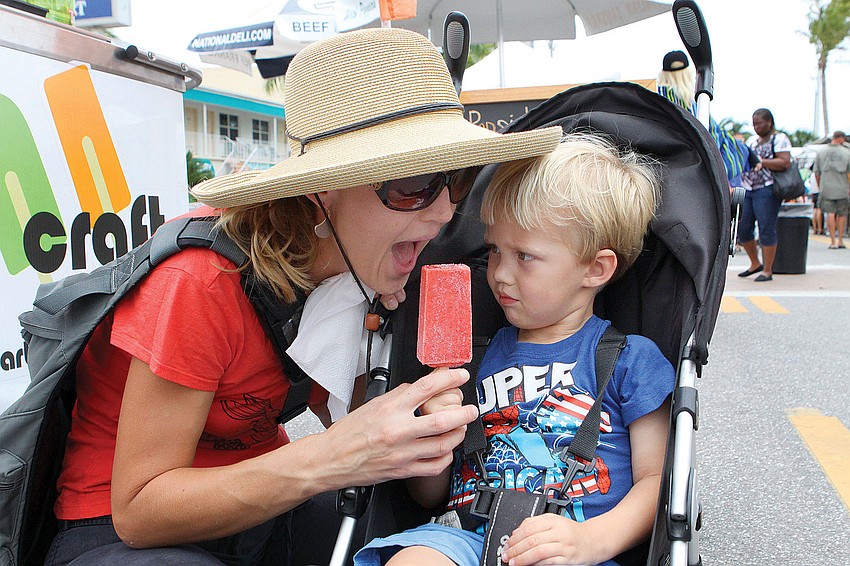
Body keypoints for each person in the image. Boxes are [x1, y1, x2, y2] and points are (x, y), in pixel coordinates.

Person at [43, 28, 563, 566]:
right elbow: (140, 510)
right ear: (322, 193)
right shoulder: (199, 283)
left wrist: (427, 437)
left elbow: (368, 444)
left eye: (455, 179)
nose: (444, 212)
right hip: (119, 536)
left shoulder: (356, 275)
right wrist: (334, 456)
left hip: (260, 517)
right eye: (415, 183)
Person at [353, 134, 675, 566]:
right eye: (494, 251)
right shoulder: (470, 361)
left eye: (524, 256)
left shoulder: (628, 360)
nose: (500, 274)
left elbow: (657, 481)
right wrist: (435, 437)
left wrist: (592, 542)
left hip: (573, 545)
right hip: (465, 535)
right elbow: (427, 496)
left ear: (595, 269)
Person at [656, 50, 755, 188]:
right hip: (698, 173)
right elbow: (714, 136)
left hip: (670, 172)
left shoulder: (657, 101)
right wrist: (748, 155)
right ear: (688, 73)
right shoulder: (695, 105)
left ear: (663, 74)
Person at [737, 108, 792, 282]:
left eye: (759, 123)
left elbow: (784, 162)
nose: (756, 127)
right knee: (743, 227)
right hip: (749, 188)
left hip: (767, 189)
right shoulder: (753, 141)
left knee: (766, 228)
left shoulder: (779, 138)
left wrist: (761, 162)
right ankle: (755, 263)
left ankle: (768, 270)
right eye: (754, 123)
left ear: (769, 122)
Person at [813, 130, 850, 249]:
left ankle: (832, 241)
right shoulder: (847, 152)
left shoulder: (821, 152)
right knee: (842, 214)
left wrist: (820, 186)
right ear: (841, 139)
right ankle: (840, 240)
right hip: (842, 188)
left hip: (826, 188)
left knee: (830, 213)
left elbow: (816, 173)